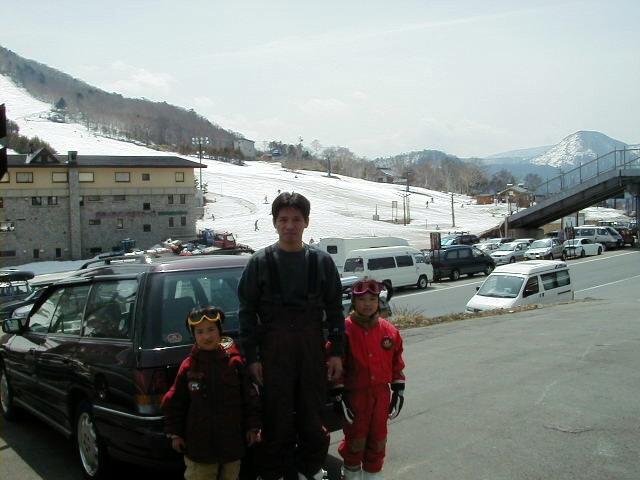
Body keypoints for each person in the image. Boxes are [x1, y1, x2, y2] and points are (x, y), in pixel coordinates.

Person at [238, 192, 345, 480]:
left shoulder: (321, 262)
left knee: (313, 418)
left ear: (306, 222)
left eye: (296, 219)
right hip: (274, 354)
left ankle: (310, 469)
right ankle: (275, 472)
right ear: (275, 222)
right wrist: (252, 358)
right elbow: (246, 314)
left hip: (312, 352)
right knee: (277, 420)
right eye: (283, 219)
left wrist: (337, 352)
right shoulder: (259, 263)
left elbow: (336, 310)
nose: (290, 226)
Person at [162, 306, 262, 480]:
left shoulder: (235, 363)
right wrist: (175, 434)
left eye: (211, 330)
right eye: (200, 332)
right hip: (200, 448)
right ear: (193, 335)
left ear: (220, 331)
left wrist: (253, 427)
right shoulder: (188, 367)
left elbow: (250, 398)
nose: (206, 336)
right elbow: (175, 402)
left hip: (231, 444)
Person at [330, 279, 406, 480]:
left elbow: (397, 363)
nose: (367, 304)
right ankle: (351, 474)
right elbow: (334, 365)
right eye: (362, 299)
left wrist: (398, 391)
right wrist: (338, 395)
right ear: (354, 302)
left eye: (372, 299)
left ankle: (373, 475)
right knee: (356, 441)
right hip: (356, 398)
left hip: (381, 396)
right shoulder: (344, 331)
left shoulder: (389, 331)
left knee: (378, 440)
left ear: (378, 301)